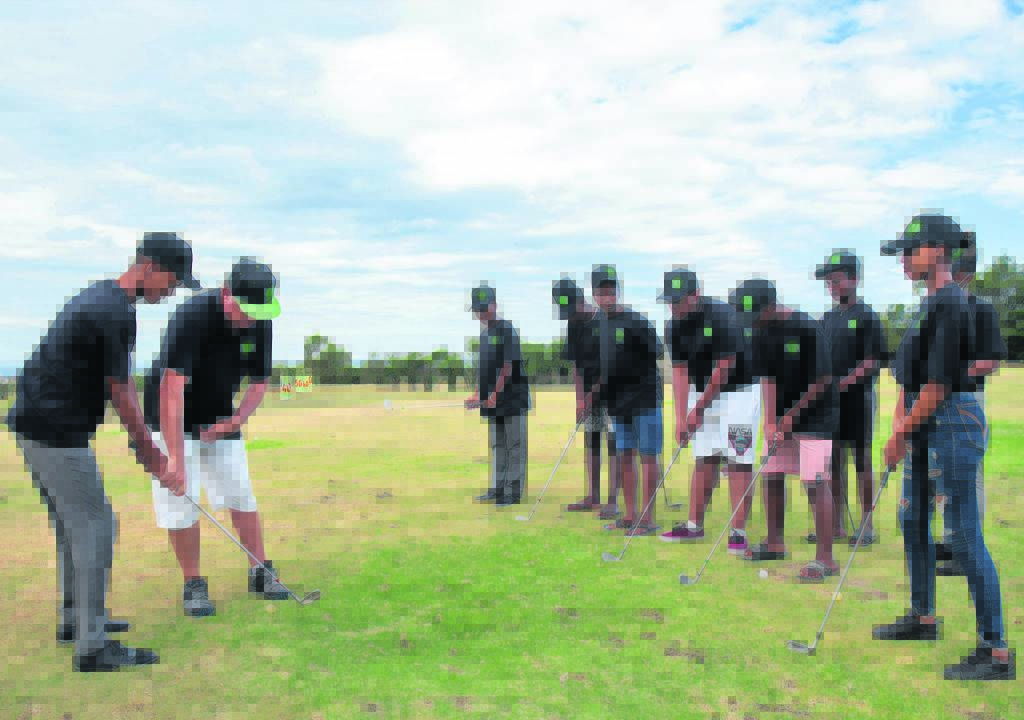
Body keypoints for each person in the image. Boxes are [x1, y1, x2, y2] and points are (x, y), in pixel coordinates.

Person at [5, 231, 199, 672]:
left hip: (40, 424)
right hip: (54, 431)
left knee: (73, 527)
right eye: (171, 281)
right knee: (97, 526)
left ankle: (75, 621)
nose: (171, 291)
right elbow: (122, 390)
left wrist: (144, 448)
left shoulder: (105, 299)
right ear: (148, 267)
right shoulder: (114, 311)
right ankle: (91, 647)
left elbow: (115, 386)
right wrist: (149, 451)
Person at [877, 213, 1014, 681]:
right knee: (912, 518)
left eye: (909, 250)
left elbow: (937, 385)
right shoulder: (929, 302)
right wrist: (901, 424)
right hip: (925, 421)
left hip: (952, 421)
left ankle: (996, 651)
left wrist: (899, 434)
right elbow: (910, 379)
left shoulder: (952, 302)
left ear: (938, 251)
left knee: (961, 535)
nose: (903, 259)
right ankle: (923, 617)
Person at [144, 257, 287, 617]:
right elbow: (171, 390)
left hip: (221, 414)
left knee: (241, 492)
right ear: (226, 294)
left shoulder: (260, 320)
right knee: (181, 500)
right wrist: (176, 458)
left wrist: (236, 420)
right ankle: (193, 583)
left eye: (258, 312)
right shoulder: (191, 317)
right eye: (245, 310)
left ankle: (261, 571)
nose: (251, 319)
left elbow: (259, 381)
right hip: (171, 416)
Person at [731, 279, 841, 583]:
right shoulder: (759, 332)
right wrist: (770, 421)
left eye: (755, 315)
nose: (752, 322)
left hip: (817, 414)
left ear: (771, 306)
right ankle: (774, 543)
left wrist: (791, 416)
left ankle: (825, 559)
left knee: (814, 481)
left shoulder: (806, 327)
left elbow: (822, 380)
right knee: (771, 473)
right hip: (782, 416)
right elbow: (767, 377)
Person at [658, 268, 759, 555]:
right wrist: (681, 417)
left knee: (738, 458)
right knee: (705, 457)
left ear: (695, 294)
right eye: (669, 301)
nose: (673, 306)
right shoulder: (673, 326)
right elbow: (680, 371)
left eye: (678, 300)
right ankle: (694, 525)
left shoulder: (723, 315)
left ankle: (738, 531)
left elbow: (724, 367)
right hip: (701, 390)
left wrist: (699, 409)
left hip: (739, 393)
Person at [935, 233, 1006, 577]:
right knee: (944, 476)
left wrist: (954, 373)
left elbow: (992, 360)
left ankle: (967, 551)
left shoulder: (982, 310)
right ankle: (952, 540)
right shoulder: (938, 308)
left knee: (967, 477)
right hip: (936, 400)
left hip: (965, 401)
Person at [815, 250, 886, 546]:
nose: (832, 286)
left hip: (858, 399)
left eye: (836, 280)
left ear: (855, 279)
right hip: (831, 404)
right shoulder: (827, 319)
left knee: (861, 460)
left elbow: (872, 361)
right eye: (828, 282)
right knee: (833, 462)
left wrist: (842, 384)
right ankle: (836, 524)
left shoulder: (867, 316)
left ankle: (867, 525)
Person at [591, 264, 664, 536]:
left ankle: (648, 518)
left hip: (644, 398)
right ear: (594, 294)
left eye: (611, 291)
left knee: (648, 457)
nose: (607, 297)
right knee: (624, 456)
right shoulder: (600, 324)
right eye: (602, 293)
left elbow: (657, 351)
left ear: (618, 291)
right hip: (617, 401)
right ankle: (630, 514)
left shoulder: (636, 321)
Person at [552, 277, 617, 515]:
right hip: (589, 392)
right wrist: (580, 400)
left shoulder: (604, 321)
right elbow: (576, 365)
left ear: (582, 300)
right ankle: (593, 496)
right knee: (591, 440)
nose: (570, 315)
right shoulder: (574, 324)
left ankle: (613, 500)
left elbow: (609, 366)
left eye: (572, 309)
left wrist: (590, 396)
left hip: (613, 391)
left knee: (614, 444)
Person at [466, 285, 531, 506]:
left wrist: (495, 393)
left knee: (515, 446)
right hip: (492, 400)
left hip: (512, 397)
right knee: (497, 444)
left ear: (494, 305)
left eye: (484, 308)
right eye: (477, 310)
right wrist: (477, 394)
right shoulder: (485, 335)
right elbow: (484, 370)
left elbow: (508, 366)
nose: (481, 313)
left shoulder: (506, 329)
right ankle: (497, 488)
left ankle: (512, 493)